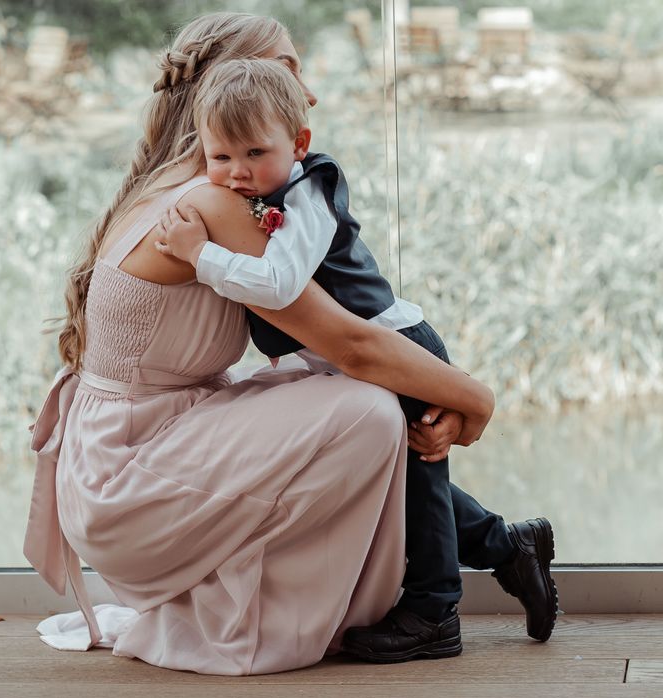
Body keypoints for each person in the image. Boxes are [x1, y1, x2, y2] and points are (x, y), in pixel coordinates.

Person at [23, 13, 519, 676]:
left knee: (338, 396)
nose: (307, 92)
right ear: (233, 84)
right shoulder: (216, 202)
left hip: (122, 447)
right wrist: (476, 401)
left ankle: (502, 546)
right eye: (289, 69)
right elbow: (351, 343)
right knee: (367, 407)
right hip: (127, 476)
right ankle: (448, 584)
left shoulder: (176, 185)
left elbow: (320, 345)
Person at [154, 56, 559, 658]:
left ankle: (433, 611)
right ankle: (507, 545)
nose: (237, 173)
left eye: (255, 155)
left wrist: (202, 257)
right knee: (401, 480)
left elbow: (280, 284)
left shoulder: (309, 190)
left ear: (299, 144)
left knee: (419, 485)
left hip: (393, 348)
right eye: (221, 158)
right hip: (343, 362)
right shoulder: (254, 188)